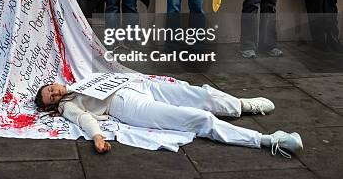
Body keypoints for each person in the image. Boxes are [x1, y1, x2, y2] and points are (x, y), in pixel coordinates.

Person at [35, 79, 303, 157]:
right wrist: (96, 136)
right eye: (52, 98)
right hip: (124, 104)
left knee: (194, 93)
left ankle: (241, 105)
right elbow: (85, 120)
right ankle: (268, 140)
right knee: (195, 117)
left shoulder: (78, 80)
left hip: (135, 84)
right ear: (53, 106)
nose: (55, 93)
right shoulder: (67, 106)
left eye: (51, 89)